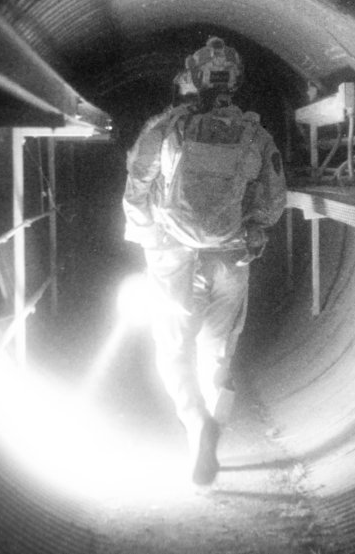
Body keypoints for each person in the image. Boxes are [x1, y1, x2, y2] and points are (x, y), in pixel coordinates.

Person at [122, 36, 287, 486]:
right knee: (219, 353)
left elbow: (137, 187)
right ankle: (213, 421)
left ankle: (196, 424)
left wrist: (149, 238)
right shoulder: (256, 134)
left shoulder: (165, 129)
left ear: (190, 80)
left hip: (174, 258)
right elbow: (271, 205)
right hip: (230, 259)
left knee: (172, 351)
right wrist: (250, 231)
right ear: (235, 81)